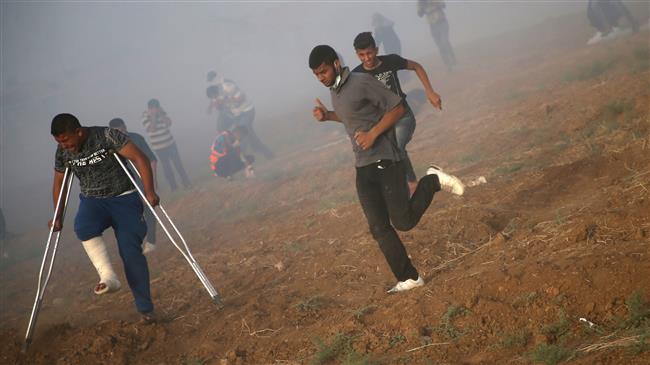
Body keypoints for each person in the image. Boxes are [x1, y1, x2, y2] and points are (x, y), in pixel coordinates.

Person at [308, 45, 465, 293]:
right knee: (379, 227)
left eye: (323, 71)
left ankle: (432, 180)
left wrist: (373, 134)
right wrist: (328, 115)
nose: (321, 78)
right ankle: (410, 277)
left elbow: (398, 108)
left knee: (403, 222)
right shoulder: (335, 91)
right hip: (363, 167)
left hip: (385, 159)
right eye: (316, 74)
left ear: (336, 63)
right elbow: (352, 116)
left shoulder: (361, 82)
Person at [49, 113, 158, 322]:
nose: (63, 146)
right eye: (58, 142)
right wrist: (57, 215)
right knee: (83, 226)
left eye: (65, 140)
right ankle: (108, 277)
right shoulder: (62, 152)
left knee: (131, 253)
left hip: (124, 199)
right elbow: (59, 183)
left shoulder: (107, 136)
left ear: (79, 132)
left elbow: (140, 158)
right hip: (93, 202)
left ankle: (145, 309)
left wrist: (149, 191)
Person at [352, 31, 442, 195]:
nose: (367, 58)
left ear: (376, 50)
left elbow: (416, 66)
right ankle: (402, 187)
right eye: (362, 55)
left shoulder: (390, 61)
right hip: (382, 123)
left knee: (396, 149)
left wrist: (430, 91)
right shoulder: (356, 75)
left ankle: (412, 183)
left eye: (370, 53)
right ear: (357, 55)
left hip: (403, 116)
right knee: (387, 155)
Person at [109, 117, 158, 254]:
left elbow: (152, 159)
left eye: (120, 129)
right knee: (133, 214)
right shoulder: (111, 146)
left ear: (125, 127)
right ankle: (137, 241)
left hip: (143, 179)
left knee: (149, 209)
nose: (119, 133)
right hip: (126, 185)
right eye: (115, 131)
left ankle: (152, 241)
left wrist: (152, 180)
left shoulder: (136, 138)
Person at [205, 73, 275, 159]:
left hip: (246, 111)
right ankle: (262, 152)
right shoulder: (216, 91)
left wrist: (225, 100)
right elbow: (215, 101)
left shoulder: (228, 85)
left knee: (243, 132)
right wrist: (212, 107)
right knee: (247, 134)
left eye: (211, 81)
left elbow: (241, 98)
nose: (211, 84)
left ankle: (244, 155)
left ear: (216, 79)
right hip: (236, 114)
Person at [142, 98, 191, 192]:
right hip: (159, 147)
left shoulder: (162, 113)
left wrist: (160, 114)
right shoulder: (145, 116)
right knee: (167, 167)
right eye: (153, 108)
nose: (155, 109)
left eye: (157, 108)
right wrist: (153, 116)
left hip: (170, 143)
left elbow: (169, 123)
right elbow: (151, 129)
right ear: (149, 109)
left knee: (178, 164)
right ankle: (174, 187)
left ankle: (186, 182)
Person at [417, 0, 457, 71]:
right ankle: (448, 64)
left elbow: (443, 5)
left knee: (444, 42)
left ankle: (453, 60)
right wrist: (422, 6)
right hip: (432, 25)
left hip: (442, 22)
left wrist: (432, 3)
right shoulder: (420, 2)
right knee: (440, 45)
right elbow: (420, 14)